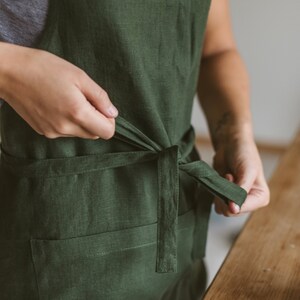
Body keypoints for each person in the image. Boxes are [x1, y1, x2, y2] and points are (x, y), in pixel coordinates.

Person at [0, 0, 269, 299]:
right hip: (61, 245)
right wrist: (10, 69)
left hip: (177, 224)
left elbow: (216, 49)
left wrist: (235, 132)